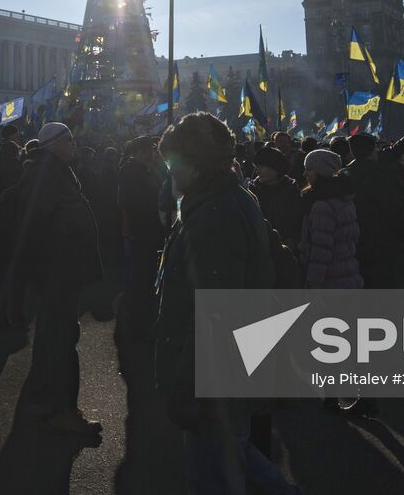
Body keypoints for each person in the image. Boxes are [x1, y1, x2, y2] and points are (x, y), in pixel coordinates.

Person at [154, 112, 293, 495]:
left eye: (174, 162)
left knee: (214, 474)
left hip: (215, 376)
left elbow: (213, 314)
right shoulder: (224, 199)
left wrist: (188, 385)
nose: (169, 171)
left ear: (197, 163)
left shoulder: (215, 214)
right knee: (232, 455)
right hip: (227, 370)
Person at [12, 122, 103, 438]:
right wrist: (61, 261)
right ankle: (62, 410)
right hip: (58, 272)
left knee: (51, 337)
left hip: (58, 272)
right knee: (62, 340)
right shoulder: (46, 176)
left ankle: (41, 401)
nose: (74, 145)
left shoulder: (52, 172)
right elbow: (38, 228)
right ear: (55, 144)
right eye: (70, 140)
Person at [117, 136, 167, 340]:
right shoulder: (130, 172)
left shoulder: (147, 169)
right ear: (137, 152)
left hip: (150, 230)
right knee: (140, 277)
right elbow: (135, 203)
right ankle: (138, 322)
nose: (150, 154)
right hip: (141, 231)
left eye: (152, 149)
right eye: (147, 150)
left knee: (147, 276)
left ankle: (143, 317)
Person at [297, 149, 362, 289]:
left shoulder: (322, 206)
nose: (305, 174)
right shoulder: (344, 197)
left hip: (330, 280)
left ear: (321, 172)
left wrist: (314, 283)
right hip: (348, 273)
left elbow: (320, 250)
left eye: (309, 169)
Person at [248, 146, 303, 248]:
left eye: (261, 167)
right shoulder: (252, 191)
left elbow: (298, 221)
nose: (257, 171)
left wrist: (293, 239)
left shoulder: (291, 191)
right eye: (257, 167)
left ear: (276, 169)